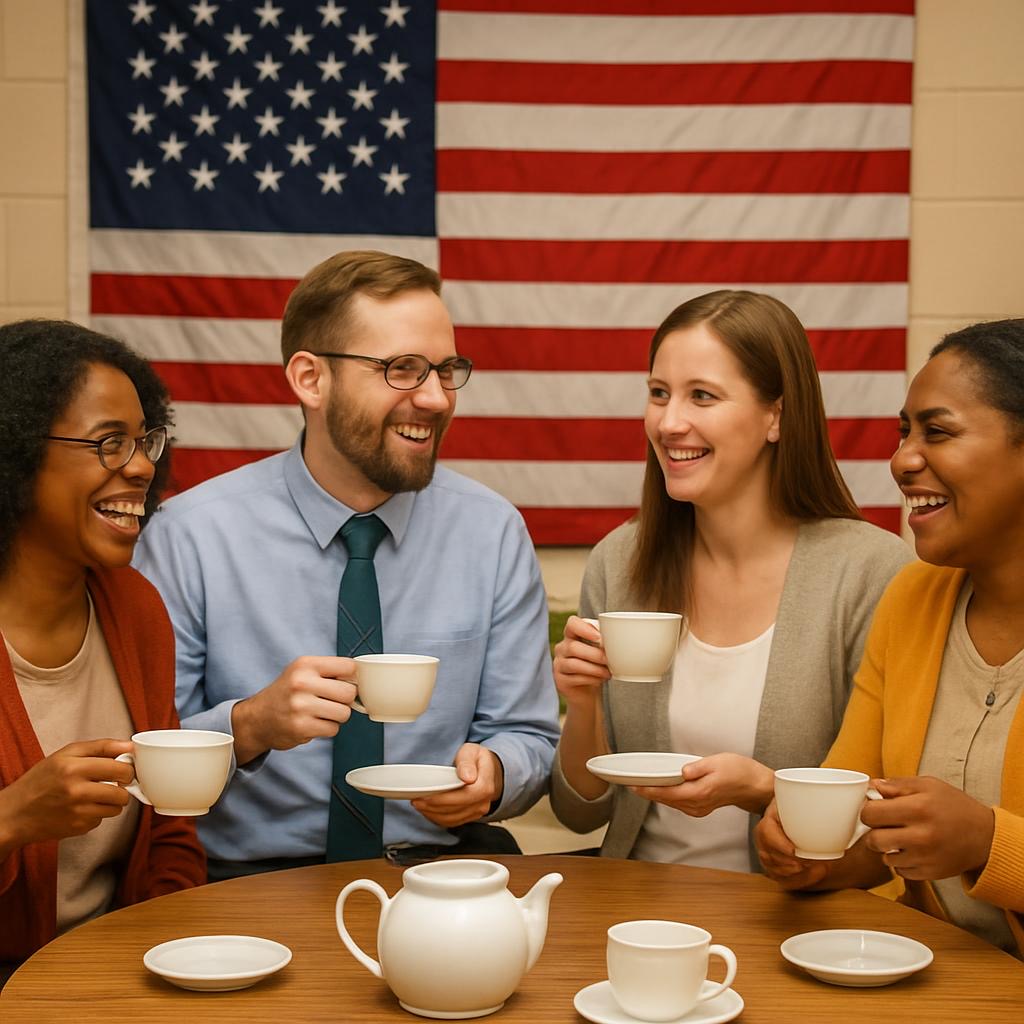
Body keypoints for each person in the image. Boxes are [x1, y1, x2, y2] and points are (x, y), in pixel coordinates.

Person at [133, 250, 560, 878]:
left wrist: (496, 776)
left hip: (440, 873)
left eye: (446, 370)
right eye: (403, 370)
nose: (438, 399)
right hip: (247, 881)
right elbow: (148, 755)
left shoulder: (491, 531)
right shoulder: (192, 535)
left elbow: (528, 736)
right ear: (310, 379)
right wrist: (251, 724)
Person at [550, 290, 910, 869]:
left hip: (791, 917)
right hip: (635, 907)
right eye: (659, 394)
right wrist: (584, 702)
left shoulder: (869, 571)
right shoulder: (619, 561)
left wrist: (766, 788)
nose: (670, 423)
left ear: (777, 416)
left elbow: (888, 814)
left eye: (703, 396)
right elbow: (581, 814)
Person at [756, 318, 1024, 957]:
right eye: (904, 432)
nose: (902, 459)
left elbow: (973, 843)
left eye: (938, 431)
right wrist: (813, 856)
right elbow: (867, 829)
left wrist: (990, 843)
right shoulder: (912, 599)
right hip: (931, 975)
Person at [0, 320, 206, 977]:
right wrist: (11, 818)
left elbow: (170, 831)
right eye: (108, 443)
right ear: (18, 451)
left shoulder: (136, 608)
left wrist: (164, 957)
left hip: (116, 967)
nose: (143, 465)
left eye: (144, 441)